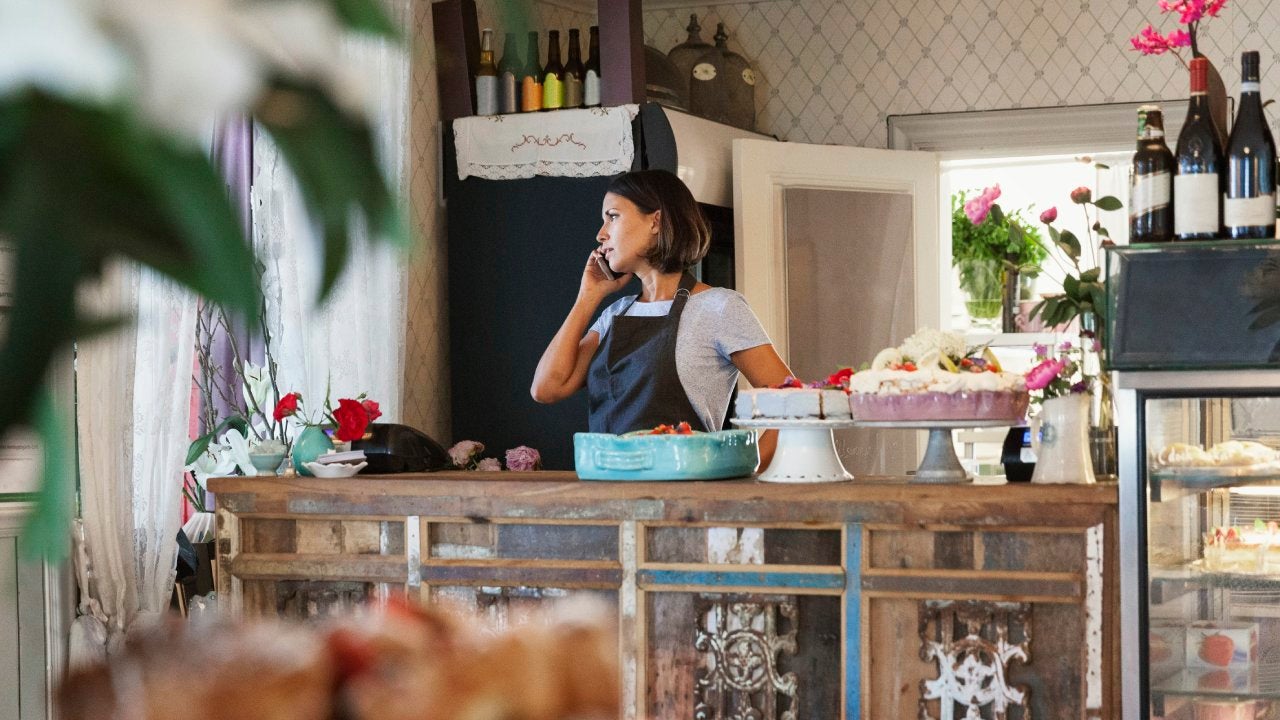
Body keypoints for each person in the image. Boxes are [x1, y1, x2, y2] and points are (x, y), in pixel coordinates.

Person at [530, 169, 792, 466]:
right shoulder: (615, 314)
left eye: (613, 216)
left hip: (685, 500)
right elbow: (547, 388)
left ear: (655, 221)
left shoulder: (719, 307)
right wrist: (587, 297)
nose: (601, 233)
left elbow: (790, 406)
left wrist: (747, 472)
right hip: (607, 493)